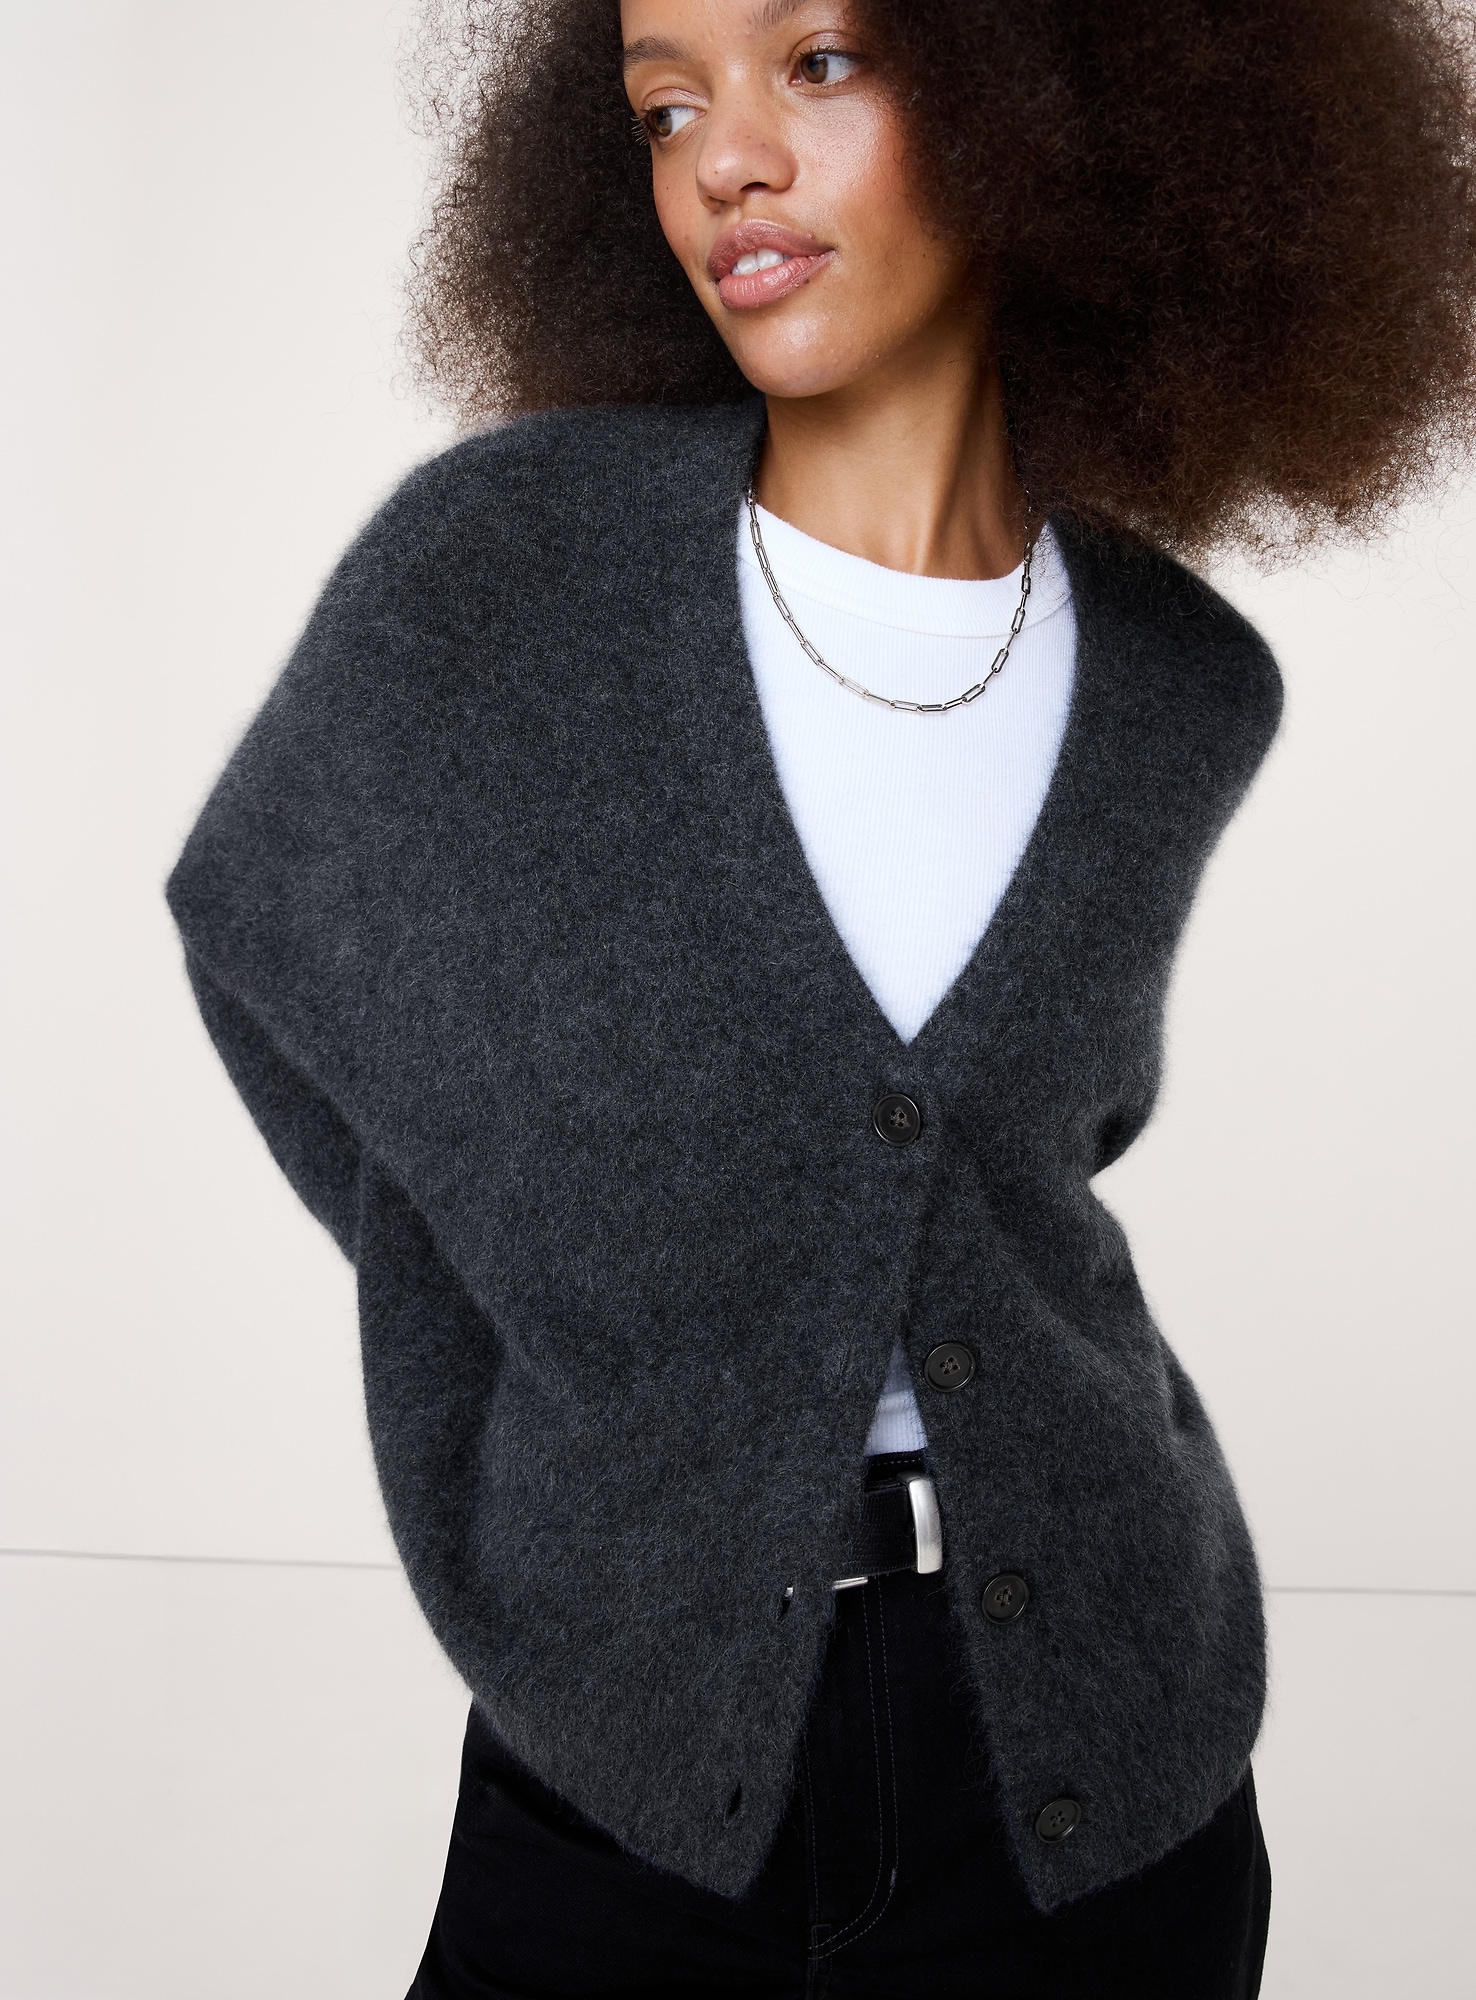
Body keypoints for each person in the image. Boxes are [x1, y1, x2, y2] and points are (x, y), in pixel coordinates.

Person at [167, 1, 1476, 1992]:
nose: (726, 158)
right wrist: (566, 1357)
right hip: (630, 1764)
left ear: (1049, 96)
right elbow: (268, 949)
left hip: (1096, 1766)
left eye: (823, 64)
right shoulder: (503, 569)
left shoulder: (1182, 686)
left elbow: (1034, 1167)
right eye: (664, 103)